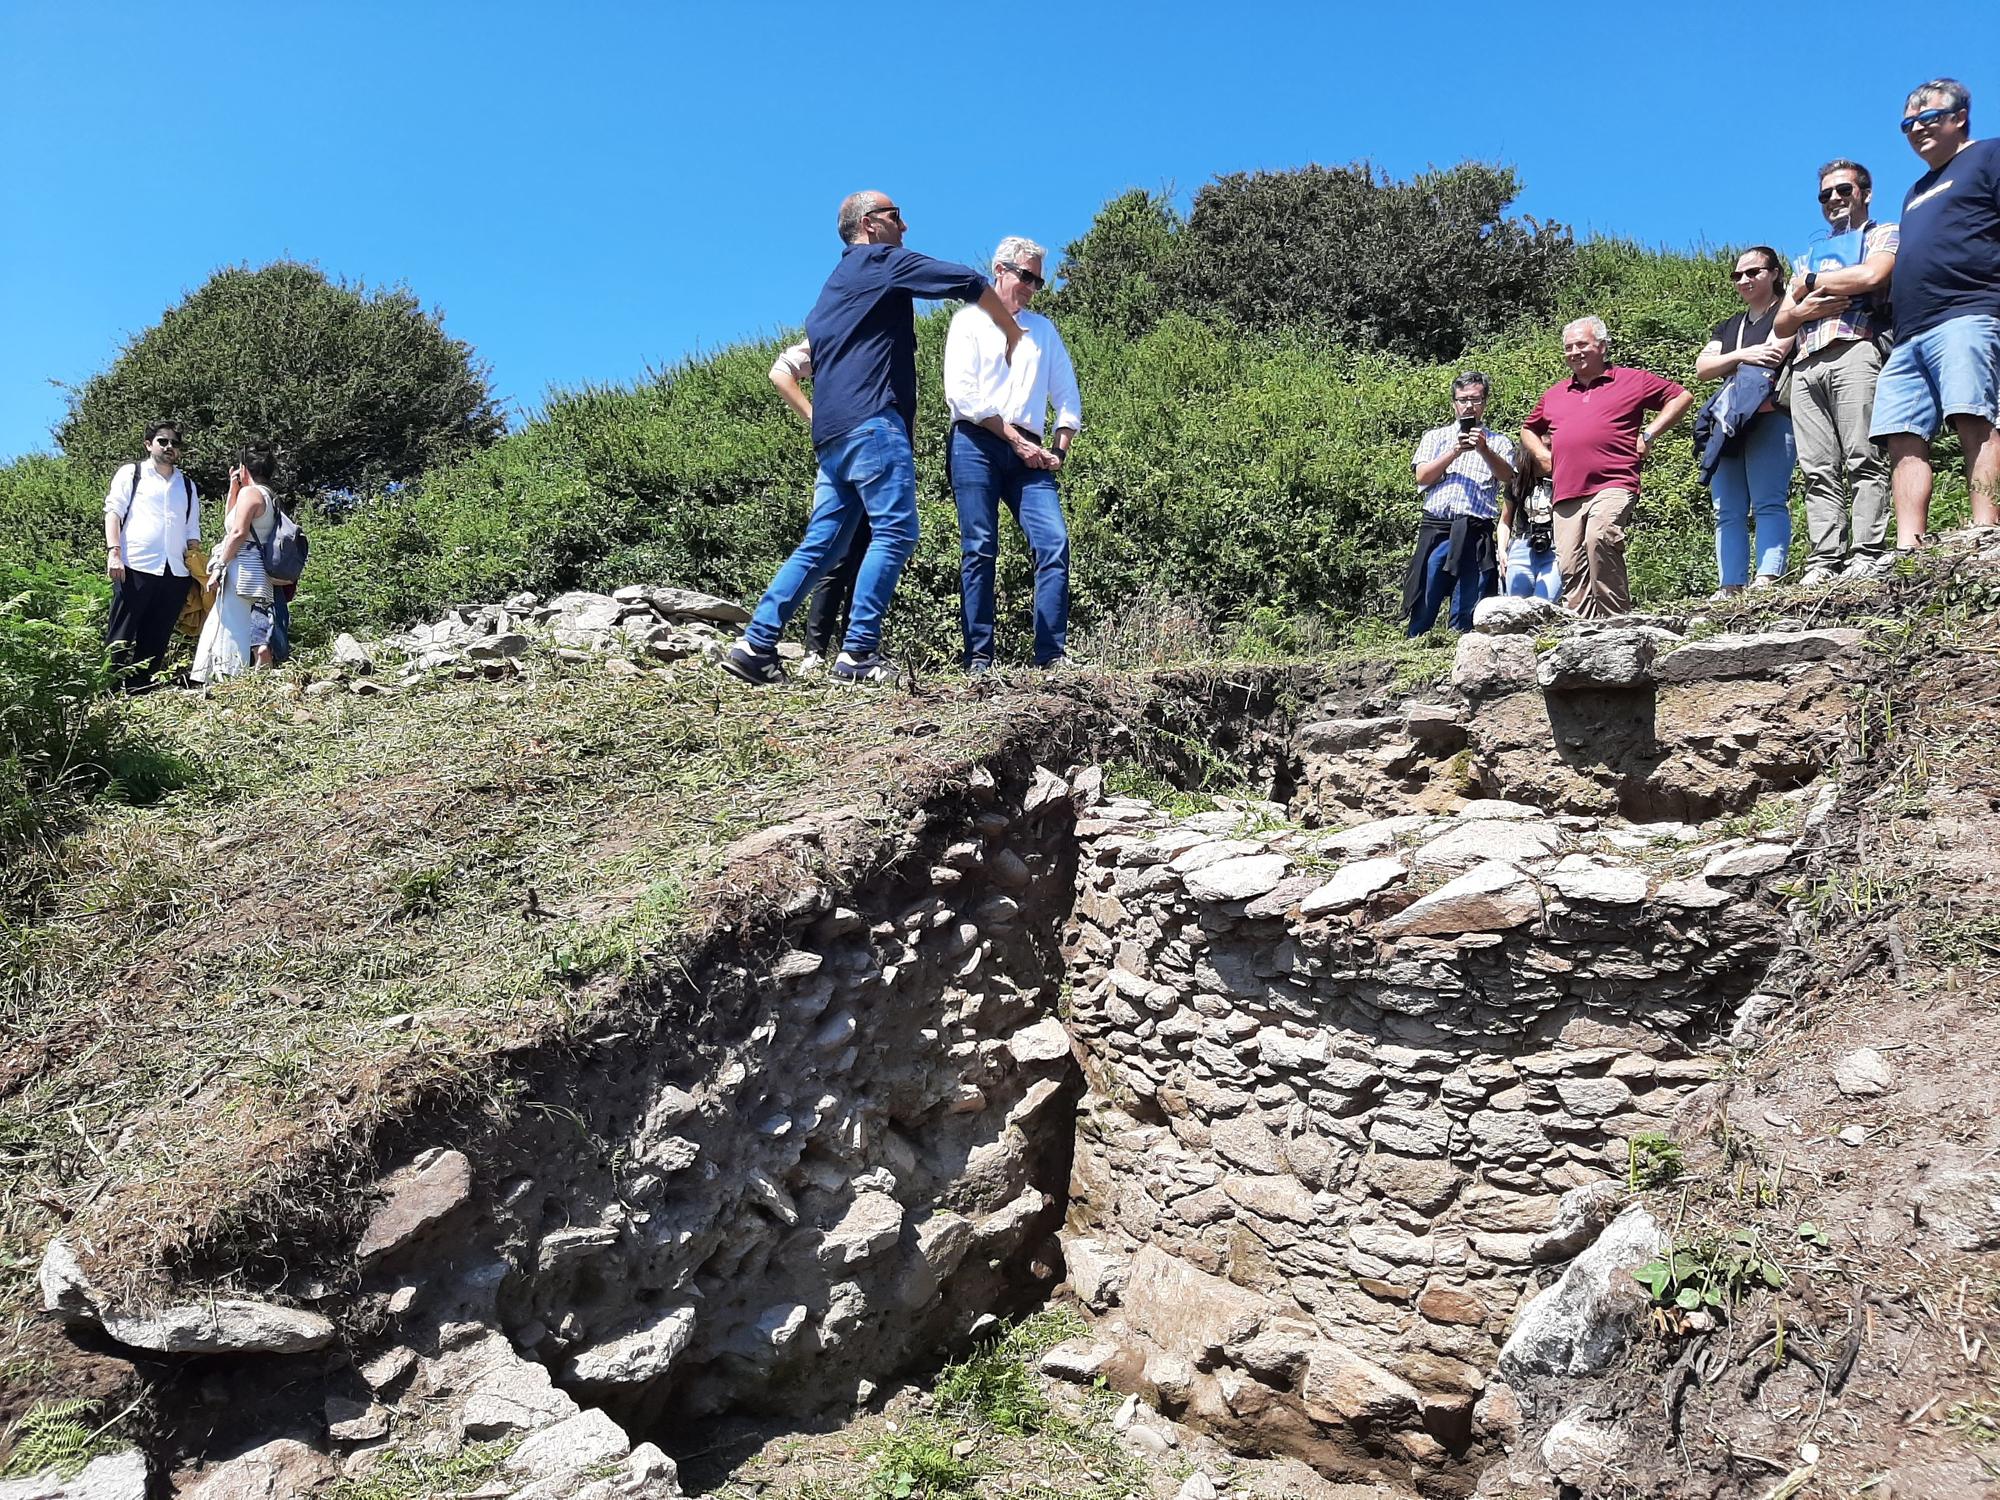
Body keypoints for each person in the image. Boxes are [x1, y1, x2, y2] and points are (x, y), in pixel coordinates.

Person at [723, 192, 1023, 686]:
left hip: (832, 436)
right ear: (870, 225)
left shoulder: (832, 289)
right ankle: (859, 653)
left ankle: (756, 645)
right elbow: (966, 281)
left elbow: (802, 366)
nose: (905, 227)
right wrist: (1009, 329)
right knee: (896, 532)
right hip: (873, 425)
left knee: (823, 543)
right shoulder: (879, 260)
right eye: (896, 216)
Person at [1869, 79, 2000, 552]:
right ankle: (1909, 547)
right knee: (1901, 434)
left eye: (1929, 118)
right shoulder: (1914, 191)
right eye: (1909, 123)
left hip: (1970, 311)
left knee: (1973, 414)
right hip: (1908, 333)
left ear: (1960, 116)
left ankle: (1986, 530)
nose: (1917, 129)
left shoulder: (1989, 155)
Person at [944, 236, 1083, 671]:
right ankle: (979, 660)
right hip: (976, 441)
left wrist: (1058, 449)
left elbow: (1068, 398)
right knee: (980, 547)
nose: (1030, 286)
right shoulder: (968, 321)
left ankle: (1050, 658)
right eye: (1025, 275)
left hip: (1029, 451)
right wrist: (1014, 439)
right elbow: (963, 394)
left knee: (1053, 542)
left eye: (1038, 281)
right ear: (999, 270)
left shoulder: (1043, 331)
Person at [1774, 159, 1899, 583]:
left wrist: (1808, 283)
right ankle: (1824, 559)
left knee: (1863, 454)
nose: (1834, 200)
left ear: (1864, 192)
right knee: (1816, 467)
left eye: (1843, 190)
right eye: (1825, 194)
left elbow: (1872, 274)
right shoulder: (1810, 253)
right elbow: (1782, 322)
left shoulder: (1882, 233)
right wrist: (1807, 302)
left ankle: (1867, 550)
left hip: (1856, 347)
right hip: (1807, 359)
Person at [1521, 317, 1695, 618]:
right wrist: (1541, 455)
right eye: (1568, 347)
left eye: (1581, 345)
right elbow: (1528, 429)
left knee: (1601, 538)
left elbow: (1681, 396)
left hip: (1614, 481)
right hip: (1567, 489)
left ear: (1601, 346)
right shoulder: (1555, 394)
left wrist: (1649, 434)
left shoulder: (1632, 380)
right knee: (1570, 564)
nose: (1574, 352)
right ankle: (1583, 630)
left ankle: (1618, 623)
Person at [1694, 247, 1796, 594]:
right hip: (1730, 423)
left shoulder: (1787, 311)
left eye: (1753, 272)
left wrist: (1730, 359)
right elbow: (1702, 368)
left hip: (1771, 417)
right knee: (1727, 509)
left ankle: (1767, 577)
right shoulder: (1730, 325)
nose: (1744, 280)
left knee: (1769, 499)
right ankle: (1731, 585)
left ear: (1776, 273)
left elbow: (1773, 354)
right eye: (1738, 275)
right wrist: (1742, 354)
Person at [769, 338, 868, 668]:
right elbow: (781, 371)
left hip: (878, 455)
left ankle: (852, 650)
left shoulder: (883, 336)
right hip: (847, 453)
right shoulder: (836, 328)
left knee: (865, 555)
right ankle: (815, 651)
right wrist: (816, 418)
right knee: (832, 554)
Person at [1402, 372, 1514, 633]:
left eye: (1475, 399)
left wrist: (1484, 450)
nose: (1469, 406)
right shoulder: (1435, 437)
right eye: (1463, 399)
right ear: (1454, 403)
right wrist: (1454, 451)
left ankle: (1460, 646)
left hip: (1476, 530)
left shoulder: (1499, 442)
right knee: (1426, 590)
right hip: (1438, 528)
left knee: (1469, 600)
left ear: (1485, 403)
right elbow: (1422, 476)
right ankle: (1417, 643)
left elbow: (1509, 477)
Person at [102, 420, 202, 689]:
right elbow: (114, 513)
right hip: (135, 564)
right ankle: (108, 690)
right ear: (149, 444)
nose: (169, 447)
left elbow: (192, 531)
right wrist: (114, 553)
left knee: (157, 635)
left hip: (175, 571)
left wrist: (199, 570)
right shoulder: (131, 473)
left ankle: (141, 688)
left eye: (175, 443)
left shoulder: (188, 486)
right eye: (163, 441)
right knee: (121, 632)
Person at [191, 444, 281, 684]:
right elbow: (231, 523)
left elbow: (238, 532)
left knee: (232, 623)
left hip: (242, 568)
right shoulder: (267, 495)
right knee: (229, 619)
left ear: (244, 468)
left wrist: (220, 565)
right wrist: (233, 488)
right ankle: (218, 677)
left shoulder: (250, 494)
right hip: (256, 570)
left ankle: (228, 678)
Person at [1497, 469, 1562, 603]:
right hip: (1521, 547)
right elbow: (1505, 521)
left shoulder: (1563, 473)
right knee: (1516, 610)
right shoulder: (1518, 478)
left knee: (1542, 606)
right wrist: (1502, 551)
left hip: (1555, 550)